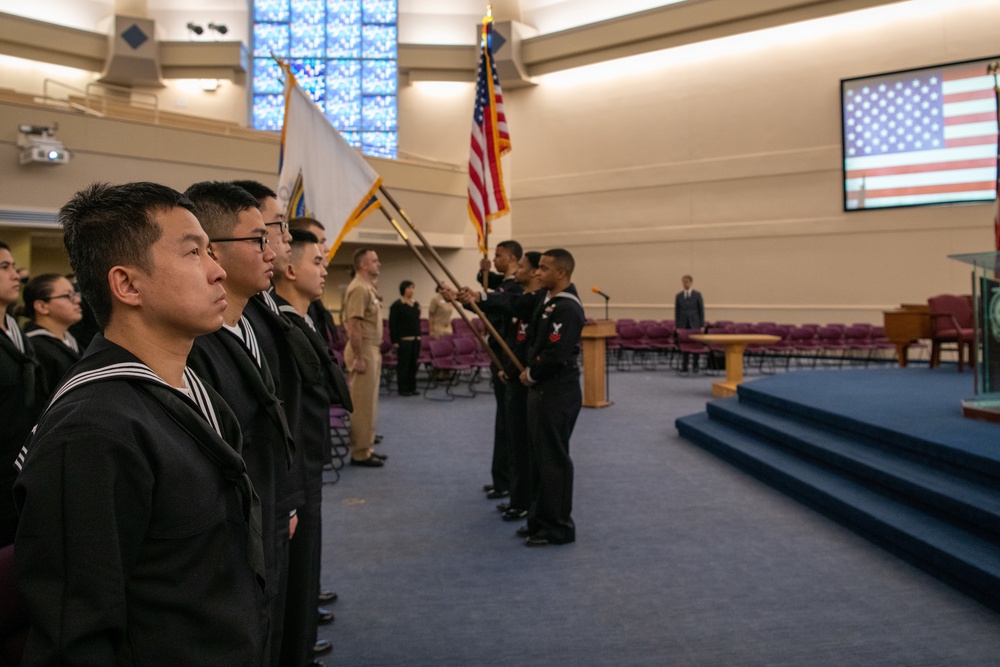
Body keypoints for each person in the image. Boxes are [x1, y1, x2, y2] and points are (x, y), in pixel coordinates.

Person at [14, 182, 266, 664]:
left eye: (212, 252)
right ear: (127, 285)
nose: (218, 272)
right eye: (194, 253)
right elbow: (76, 639)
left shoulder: (188, 388)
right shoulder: (92, 432)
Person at [183, 181, 292, 665]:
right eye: (258, 239)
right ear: (214, 251)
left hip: (265, 513)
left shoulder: (245, 323)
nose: (272, 252)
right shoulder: (197, 347)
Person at [236, 183, 336, 663]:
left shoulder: (266, 315)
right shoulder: (253, 319)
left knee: (292, 587)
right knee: (272, 603)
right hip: (272, 482)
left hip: (293, 472)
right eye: (268, 229)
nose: (274, 240)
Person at [272, 228, 351, 667]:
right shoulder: (280, 325)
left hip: (309, 453)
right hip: (294, 461)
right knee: (297, 558)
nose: (324, 270)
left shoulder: (304, 317)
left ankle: (303, 639)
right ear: (288, 268)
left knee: (307, 555)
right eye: (317, 262)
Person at [468, 251, 544, 523]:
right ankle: (517, 495)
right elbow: (506, 304)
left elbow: (531, 345)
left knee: (524, 445)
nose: (517, 269)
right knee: (512, 437)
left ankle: (525, 501)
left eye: (522, 265)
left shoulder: (541, 304)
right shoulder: (525, 299)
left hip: (529, 382)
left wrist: (515, 370)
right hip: (513, 374)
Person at [517, 248, 585, 547]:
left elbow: (556, 354)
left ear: (561, 273)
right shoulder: (547, 301)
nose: (537, 273)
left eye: (543, 269)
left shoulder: (567, 308)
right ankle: (539, 520)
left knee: (553, 460)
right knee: (539, 458)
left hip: (557, 391)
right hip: (543, 391)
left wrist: (532, 373)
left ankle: (558, 527)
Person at [0, 241, 44, 548]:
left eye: (14, 267)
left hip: (17, 471)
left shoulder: (15, 331)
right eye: (5, 268)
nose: (17, 275)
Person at [476, 240, 524, 501]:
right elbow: (490, 283)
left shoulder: (516, 288)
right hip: (498, 354)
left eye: (499, 255)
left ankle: (505, 480)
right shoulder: (504, 283)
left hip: (506, 355)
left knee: (507, 421)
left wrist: (481, 295)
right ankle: (501, 478)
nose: (494, 259)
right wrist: (482, 270)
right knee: (502, 420)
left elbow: (501, 299)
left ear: (514, 258)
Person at [343, 247, 386, 467]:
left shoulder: (367, 287)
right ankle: (360, 453)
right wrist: (359, 356)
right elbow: (354, 325)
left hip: (372, 349)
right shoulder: (359, 288)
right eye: (374, 261)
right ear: (363, 265)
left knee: (370, 403)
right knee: (361, 404)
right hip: (364, 349)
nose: (378, 264)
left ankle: (367, 446)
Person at [22, 273, 83, 398]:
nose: (78, 300)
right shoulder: (33, 348)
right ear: (42, 306)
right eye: (68, 296)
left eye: (75, 294)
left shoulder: (71, 341)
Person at [389, 279, 421, 396]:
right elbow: (393, 325)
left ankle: (412, 387)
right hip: (404, 340)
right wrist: (395, 341)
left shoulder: (416, 304)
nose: (412, 290)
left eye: (413, 287)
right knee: (404, 365)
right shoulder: (397, 305)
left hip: (415, 339)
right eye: (409, 288)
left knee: (413, 365)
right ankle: (403, 388)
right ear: (403, 289)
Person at [675, 274, 705, 373]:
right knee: (685, 344)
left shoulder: (697, 295)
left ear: (691, 282)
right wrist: (678, 326)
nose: (685, 284)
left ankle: (695, 365)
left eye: (687, 282)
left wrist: (702, 325)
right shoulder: (679, 296)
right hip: (683, 324)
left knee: (696, 344)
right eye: (683, 282)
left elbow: (701, 310)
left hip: (695, 323)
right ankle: (685, 365)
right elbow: (677, 311)